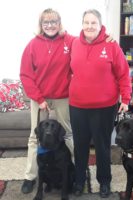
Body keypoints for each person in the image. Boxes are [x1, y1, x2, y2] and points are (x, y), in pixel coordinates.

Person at [69, 9, 132, 198]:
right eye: (86, 22)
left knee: (102, 146)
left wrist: (126, 98)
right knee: (80, 146)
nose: (89, 26)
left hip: (105, 107)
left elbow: (123, 73)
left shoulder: (111, 45)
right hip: (77, 106)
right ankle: (79, 181)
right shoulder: (73, 43)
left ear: (100, 25)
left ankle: (104, 182)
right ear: (82, 24)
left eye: (93, 23)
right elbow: (54, 36)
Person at [20, 8, 75, 194]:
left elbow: (89, 43)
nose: (50, 25)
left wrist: (105, 35)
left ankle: (71, 174)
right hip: (39, 98)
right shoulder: (32, 45)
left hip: (62, 97)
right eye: (46, 22)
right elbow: (26, 75)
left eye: (53, 22)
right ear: (41, 25)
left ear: (59, 23)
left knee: (66, 135)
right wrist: (39, 98)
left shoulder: (71, 41)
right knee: (35, 138)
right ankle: (30, 177)